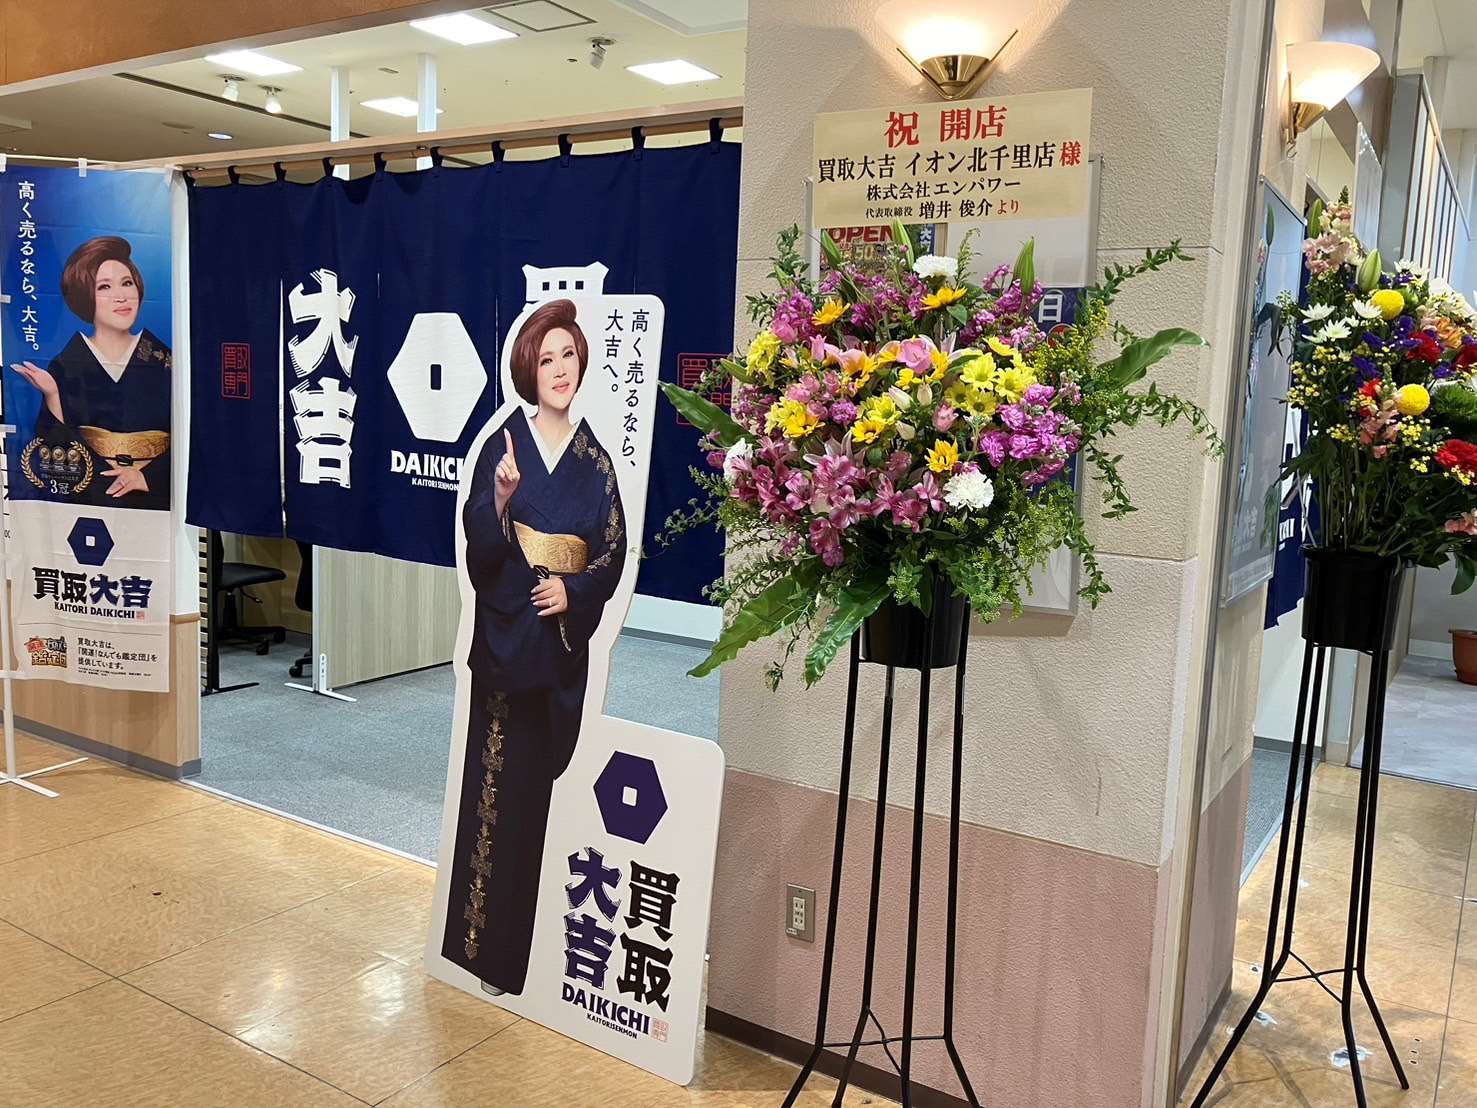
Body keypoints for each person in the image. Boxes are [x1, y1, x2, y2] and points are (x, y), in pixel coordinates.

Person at [443, 298, 627, 995]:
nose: (558, 369)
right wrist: (499, 501)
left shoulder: (596, 461)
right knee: (494, 797)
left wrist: (573, 594)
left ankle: (528, 958)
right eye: (545, 358)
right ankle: (480, 953)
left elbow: (611, 553)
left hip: (556, 649)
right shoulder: (504, 443)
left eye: (568, 355)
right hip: (506, 644)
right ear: (528, 369)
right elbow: (479, 546)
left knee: (538, 804)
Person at [11, 235, 171, 510]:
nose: (121, 296)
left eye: (127, 283)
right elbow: (56, 451)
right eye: (104, 287)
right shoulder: (66, 365)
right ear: (85, 297)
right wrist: (52, 395)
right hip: (91, 499)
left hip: (156, 498)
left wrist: (148, 476)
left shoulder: (164, 360)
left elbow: (193, 434)